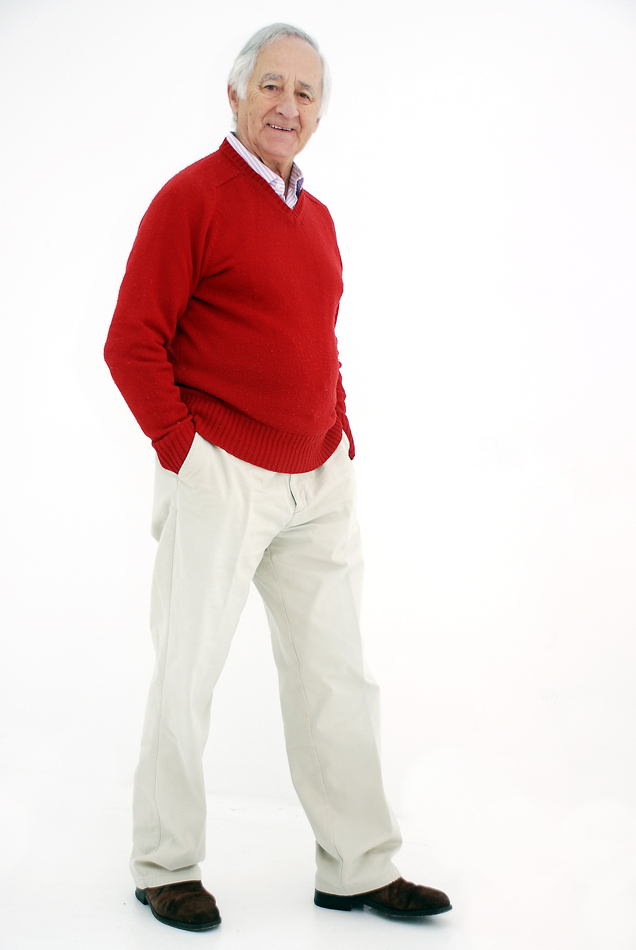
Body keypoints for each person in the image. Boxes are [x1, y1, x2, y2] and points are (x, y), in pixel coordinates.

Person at [104, 22, 451, 932]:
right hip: (221, 471)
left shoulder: (318, 217)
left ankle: (357, 866)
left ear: (319, 113)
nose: (287, 106)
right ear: (235, 95)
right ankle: (164, 864)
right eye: (271, 86)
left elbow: (316, 336)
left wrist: (339, 429)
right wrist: (186, 453)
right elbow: (131, 341)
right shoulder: (192, 198)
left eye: (305, 92)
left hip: (316, 478)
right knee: (187, 675)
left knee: (338, 678)